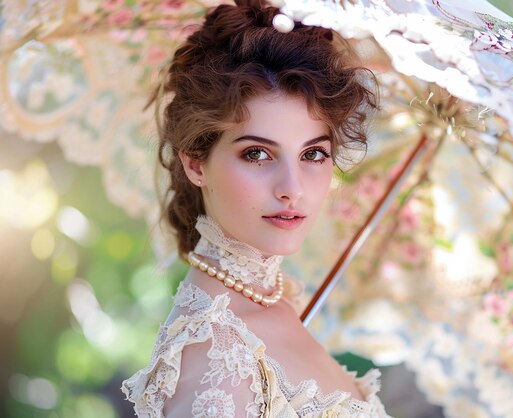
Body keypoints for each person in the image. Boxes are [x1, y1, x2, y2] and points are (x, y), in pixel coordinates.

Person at [121, 2, 388, 417]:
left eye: (314, 154)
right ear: (195, 162)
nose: (292, 189)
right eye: (258, 154)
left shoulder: (278, 301)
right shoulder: (217, 355)